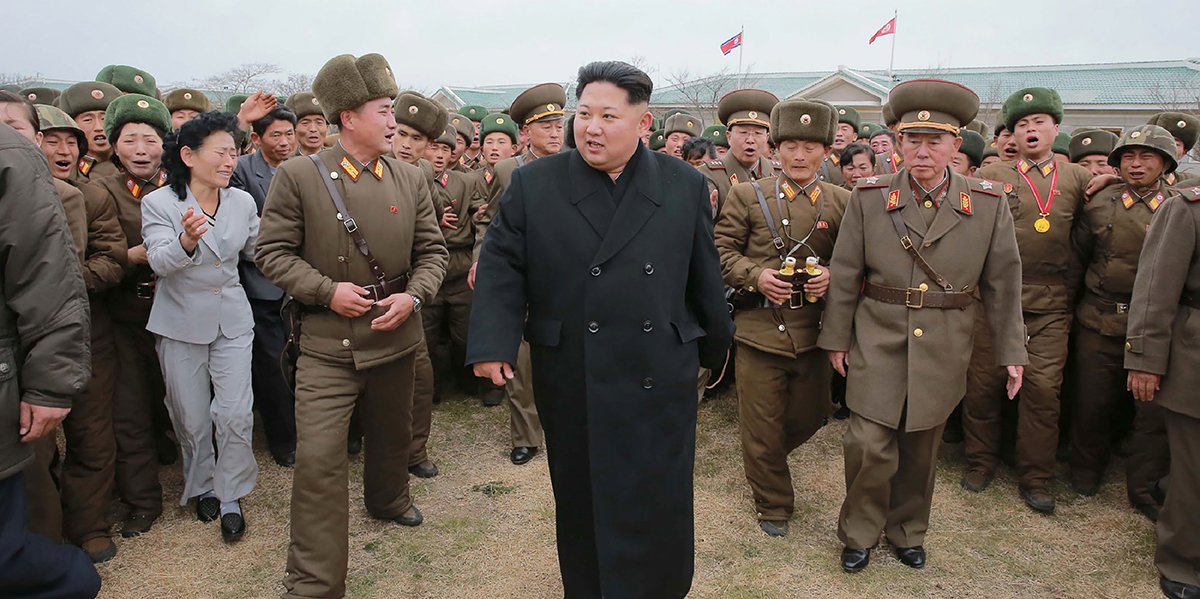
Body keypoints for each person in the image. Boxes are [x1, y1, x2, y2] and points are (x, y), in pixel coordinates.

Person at [468, 59, 732, 599]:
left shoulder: (683, 183)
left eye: (608, 115)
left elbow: (702, 270)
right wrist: (493, 343)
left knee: (660, 491)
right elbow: (501, 267)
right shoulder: (534, 184)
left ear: (643, 122)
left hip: (660, 366)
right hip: (575, 369)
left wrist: (715, 347)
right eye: (583, 113)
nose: (591, 127)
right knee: (585, 491)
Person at [255, 53, 447, 599]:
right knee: (318, 461)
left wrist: (413, 297)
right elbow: (271, 252)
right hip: (324, 345)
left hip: (396, 334)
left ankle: (388, 500)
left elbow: (432, 252)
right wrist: (326, 291)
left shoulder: (412, 177)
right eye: (385, 111)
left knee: (392, 436)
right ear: (348, 118)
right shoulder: (300, 175)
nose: (395, 122)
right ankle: (314, 582)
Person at [818, 79, 1026, 573]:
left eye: (936, 141)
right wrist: (836, 338)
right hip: (878, 334)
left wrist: (1012, 352)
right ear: (899, 143)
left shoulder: (989, 203)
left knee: (921, 444)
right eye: (914, 140)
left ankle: (907, 529)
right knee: (867, 443)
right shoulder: (869, 198)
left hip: (945, 341)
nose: (924, 151)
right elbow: (846, 273)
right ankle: (860, 531)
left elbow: (1003, 284)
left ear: (958, 145)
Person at [714, 98, 848, 537]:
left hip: (815, 332)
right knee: (761, 424)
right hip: (759, 331)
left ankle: (766, 457)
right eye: (790, 145)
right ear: (775, 149)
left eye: (810, 147)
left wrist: (831, 277)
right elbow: (720, 253)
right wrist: (757, 276)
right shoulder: (746, 195)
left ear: (826, 152)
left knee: (813, 414)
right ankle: (773, 502)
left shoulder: (843, 201)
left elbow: (856, 261)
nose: (799, 156)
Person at [965, 87, 1094, 514]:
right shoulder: (993, 176)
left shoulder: (1078, 178)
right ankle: (980, 461)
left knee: (1043, 389)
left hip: (1051, 304)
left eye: (1039, 122)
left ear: (1056, 129)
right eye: (1022, 125)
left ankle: (1036, 475)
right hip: (994, 300)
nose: (1030, 130)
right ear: (1012, 135)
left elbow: (1086, 238)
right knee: (982, 384)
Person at [143, 111, 259, 542]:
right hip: (179, 323)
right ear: (189, 155)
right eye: (221, 152)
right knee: (190, 417)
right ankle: (203, 484)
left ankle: (231, 494)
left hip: (232, 319)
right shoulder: (159, 203)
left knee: (233, 412)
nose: (230, 161)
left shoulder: (241, 202)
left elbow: (259, 250)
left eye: (234, 152)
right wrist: (186, 241)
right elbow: (158, 261)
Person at [0, 121, 100, 599]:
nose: (63, 149)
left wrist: (48, 383)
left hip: (33, 352)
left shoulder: (12, 161)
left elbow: (56, 276)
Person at [1067, 125, 1182, 511]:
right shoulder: (1099, 202)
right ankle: (1084, 473)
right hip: (1099, 321)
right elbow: (1076, 261)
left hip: (1153, 328)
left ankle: (1144, 489)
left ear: (1165, 163)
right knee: (1091, 404)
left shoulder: (1179, 205)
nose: (1136, 164)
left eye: (1146, 156)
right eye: (1128, 157)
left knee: (1150, 416)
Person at [32, 101, 125, 563]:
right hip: (28, 338)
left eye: (72, 141)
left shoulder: (91, 194)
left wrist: (70, 281)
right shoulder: (17, 196)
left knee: (93, 432)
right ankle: (42, 532)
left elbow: (113, 256)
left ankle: (89, 525)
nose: (64, 149)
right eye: (53, 140)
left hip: (89, 328)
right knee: (34, 443)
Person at [82, 93, 174, 538]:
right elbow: (95, 252)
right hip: (123, 313)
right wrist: (130, 255)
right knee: (129, 408)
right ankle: (142, 500)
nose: (142, 149)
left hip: (176, 311)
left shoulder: (182, 183)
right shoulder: (98, 189)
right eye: (130, 139)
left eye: (151, 139)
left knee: (182, 401)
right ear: (115, 147)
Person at [471, 82, 567, 465]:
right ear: (525, 133)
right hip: (525, 279)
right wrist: (482, 259)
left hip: (568, 281)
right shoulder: (509, 170)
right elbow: (489, 222)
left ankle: (564, 425)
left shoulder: (578, 164)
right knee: (522, 361)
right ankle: (526, 435)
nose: (556, 132)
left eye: (559, 124)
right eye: (546, 126)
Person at [1124, 172, 1200, 599]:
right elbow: (1155, 290)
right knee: (1194, 472)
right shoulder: (1188, 208)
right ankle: (1183, 560)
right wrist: (1145, 361)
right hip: (1195, 354)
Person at [230, 107, 298, 468]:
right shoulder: (241, 172)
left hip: (303, 283)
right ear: (256, 139)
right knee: (272, 366)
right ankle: (283, 439)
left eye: (290, 133)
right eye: (276, 135)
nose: (285, 142)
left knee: (304, 364)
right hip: (262, 285)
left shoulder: (308, 166)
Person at [697, 89, 781, 216]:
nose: (750, 140)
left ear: (767, 137)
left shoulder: (778, 173)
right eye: (743, 133)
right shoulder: (709, 174)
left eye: (758, 133)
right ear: (729, 137)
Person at [58, 80, 123, 184]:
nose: (99, 127)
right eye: (88, 120)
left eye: (104, 118)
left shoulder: (134, 166)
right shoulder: (64, 171)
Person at [1147, 112, 1199, 183]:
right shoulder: (1128, 183)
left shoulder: (1191, 184)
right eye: (1162, 141)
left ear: (1184, 152)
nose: (1168, 148)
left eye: (1175, 144)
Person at [287, 92, 329, 157]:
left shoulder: (339, 160)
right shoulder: (284, 164)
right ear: (293, 129)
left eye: (319, 123)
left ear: (327, 127)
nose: (313, 129)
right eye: (305, 123)